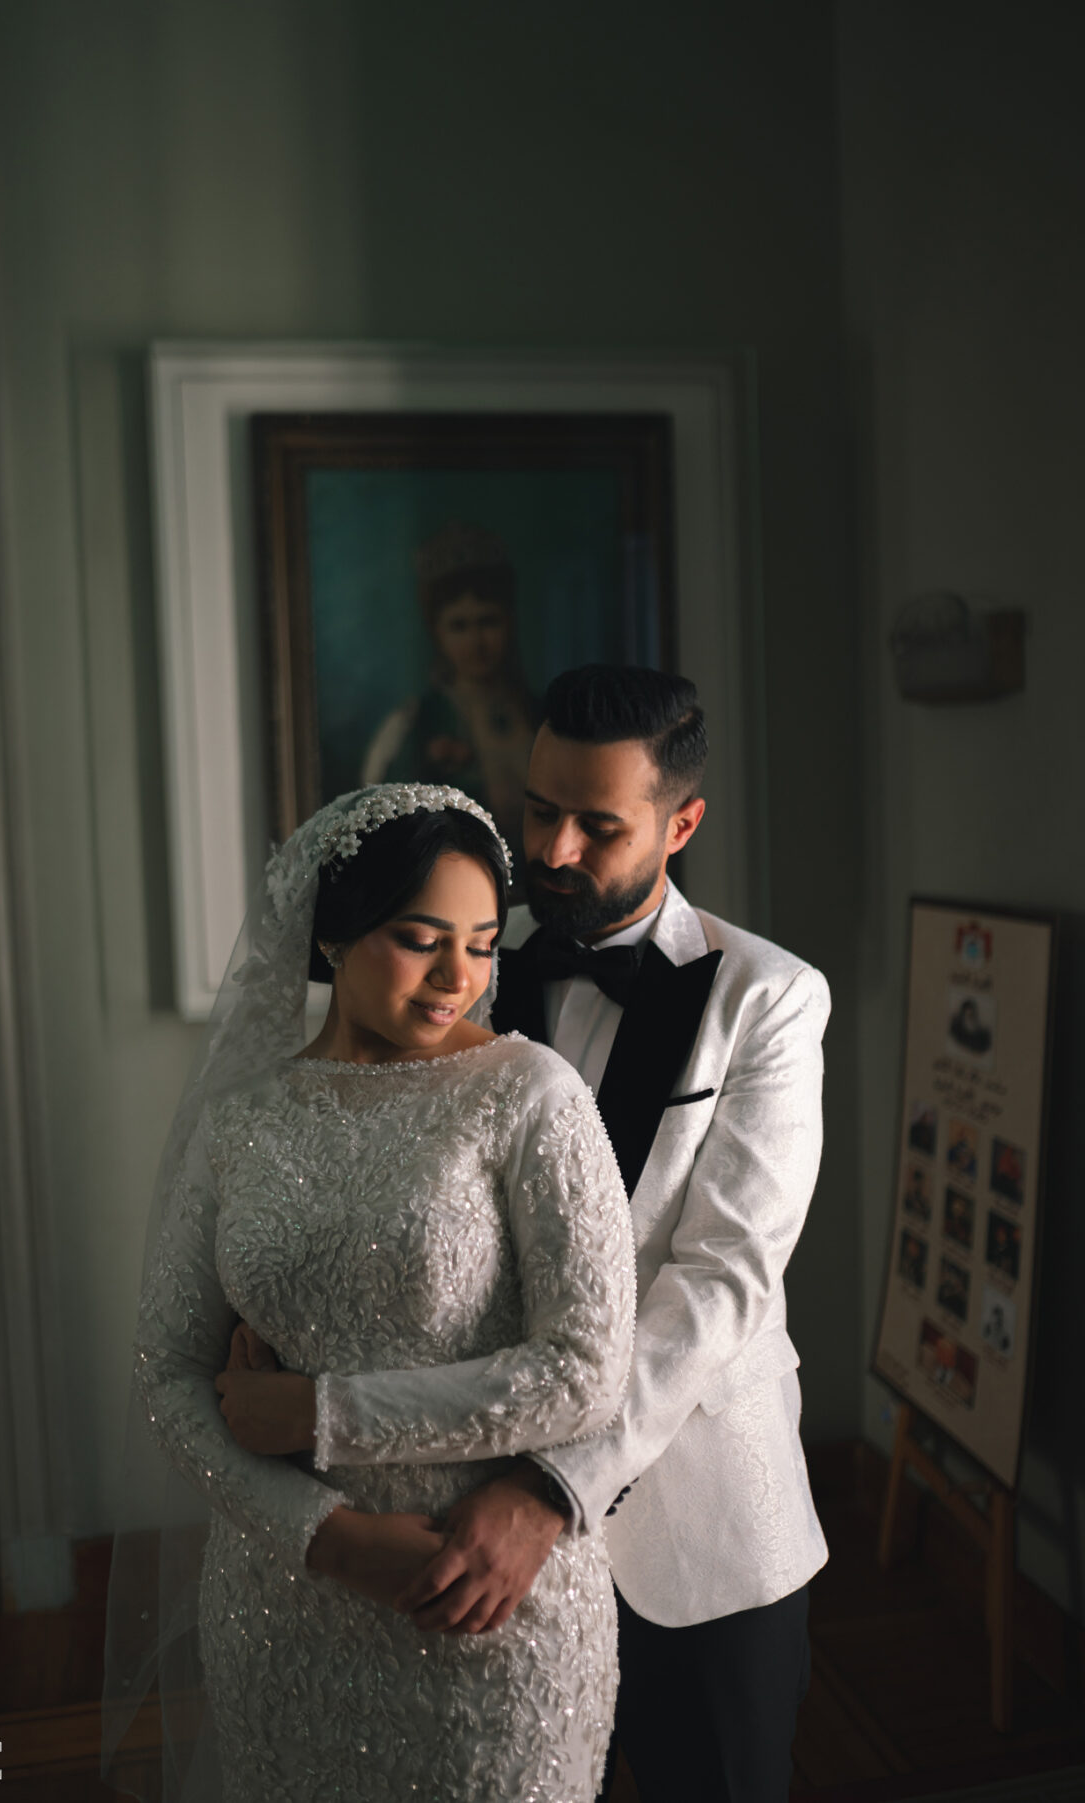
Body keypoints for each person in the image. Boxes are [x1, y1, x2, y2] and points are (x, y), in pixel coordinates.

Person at [102, 783, 635, 1803]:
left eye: (482, 944)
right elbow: (168, 1372)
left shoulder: (530, 1095)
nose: (458, 977)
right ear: (334, 936)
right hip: (285, 1611)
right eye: (420, 939)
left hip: (482, 1604)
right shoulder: (241, 1122)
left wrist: (319, 1412)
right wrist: (328, 1537)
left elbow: (586, 1370)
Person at [396, 667, 831, 1803]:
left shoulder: (771, 998)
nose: (554, 851)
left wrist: (552, 1488)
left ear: (682, 824)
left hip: (704, 1532)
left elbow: (720, 1279)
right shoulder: (467, 971)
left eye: (599, 825)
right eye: (540, 809)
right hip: (475, 1514)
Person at [360, 522, 539, 861]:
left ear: (509, 622)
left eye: (488, 621)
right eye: (459, 626)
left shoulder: (540, 714)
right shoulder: (414, 725)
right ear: (437, 633)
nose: (476, 642)